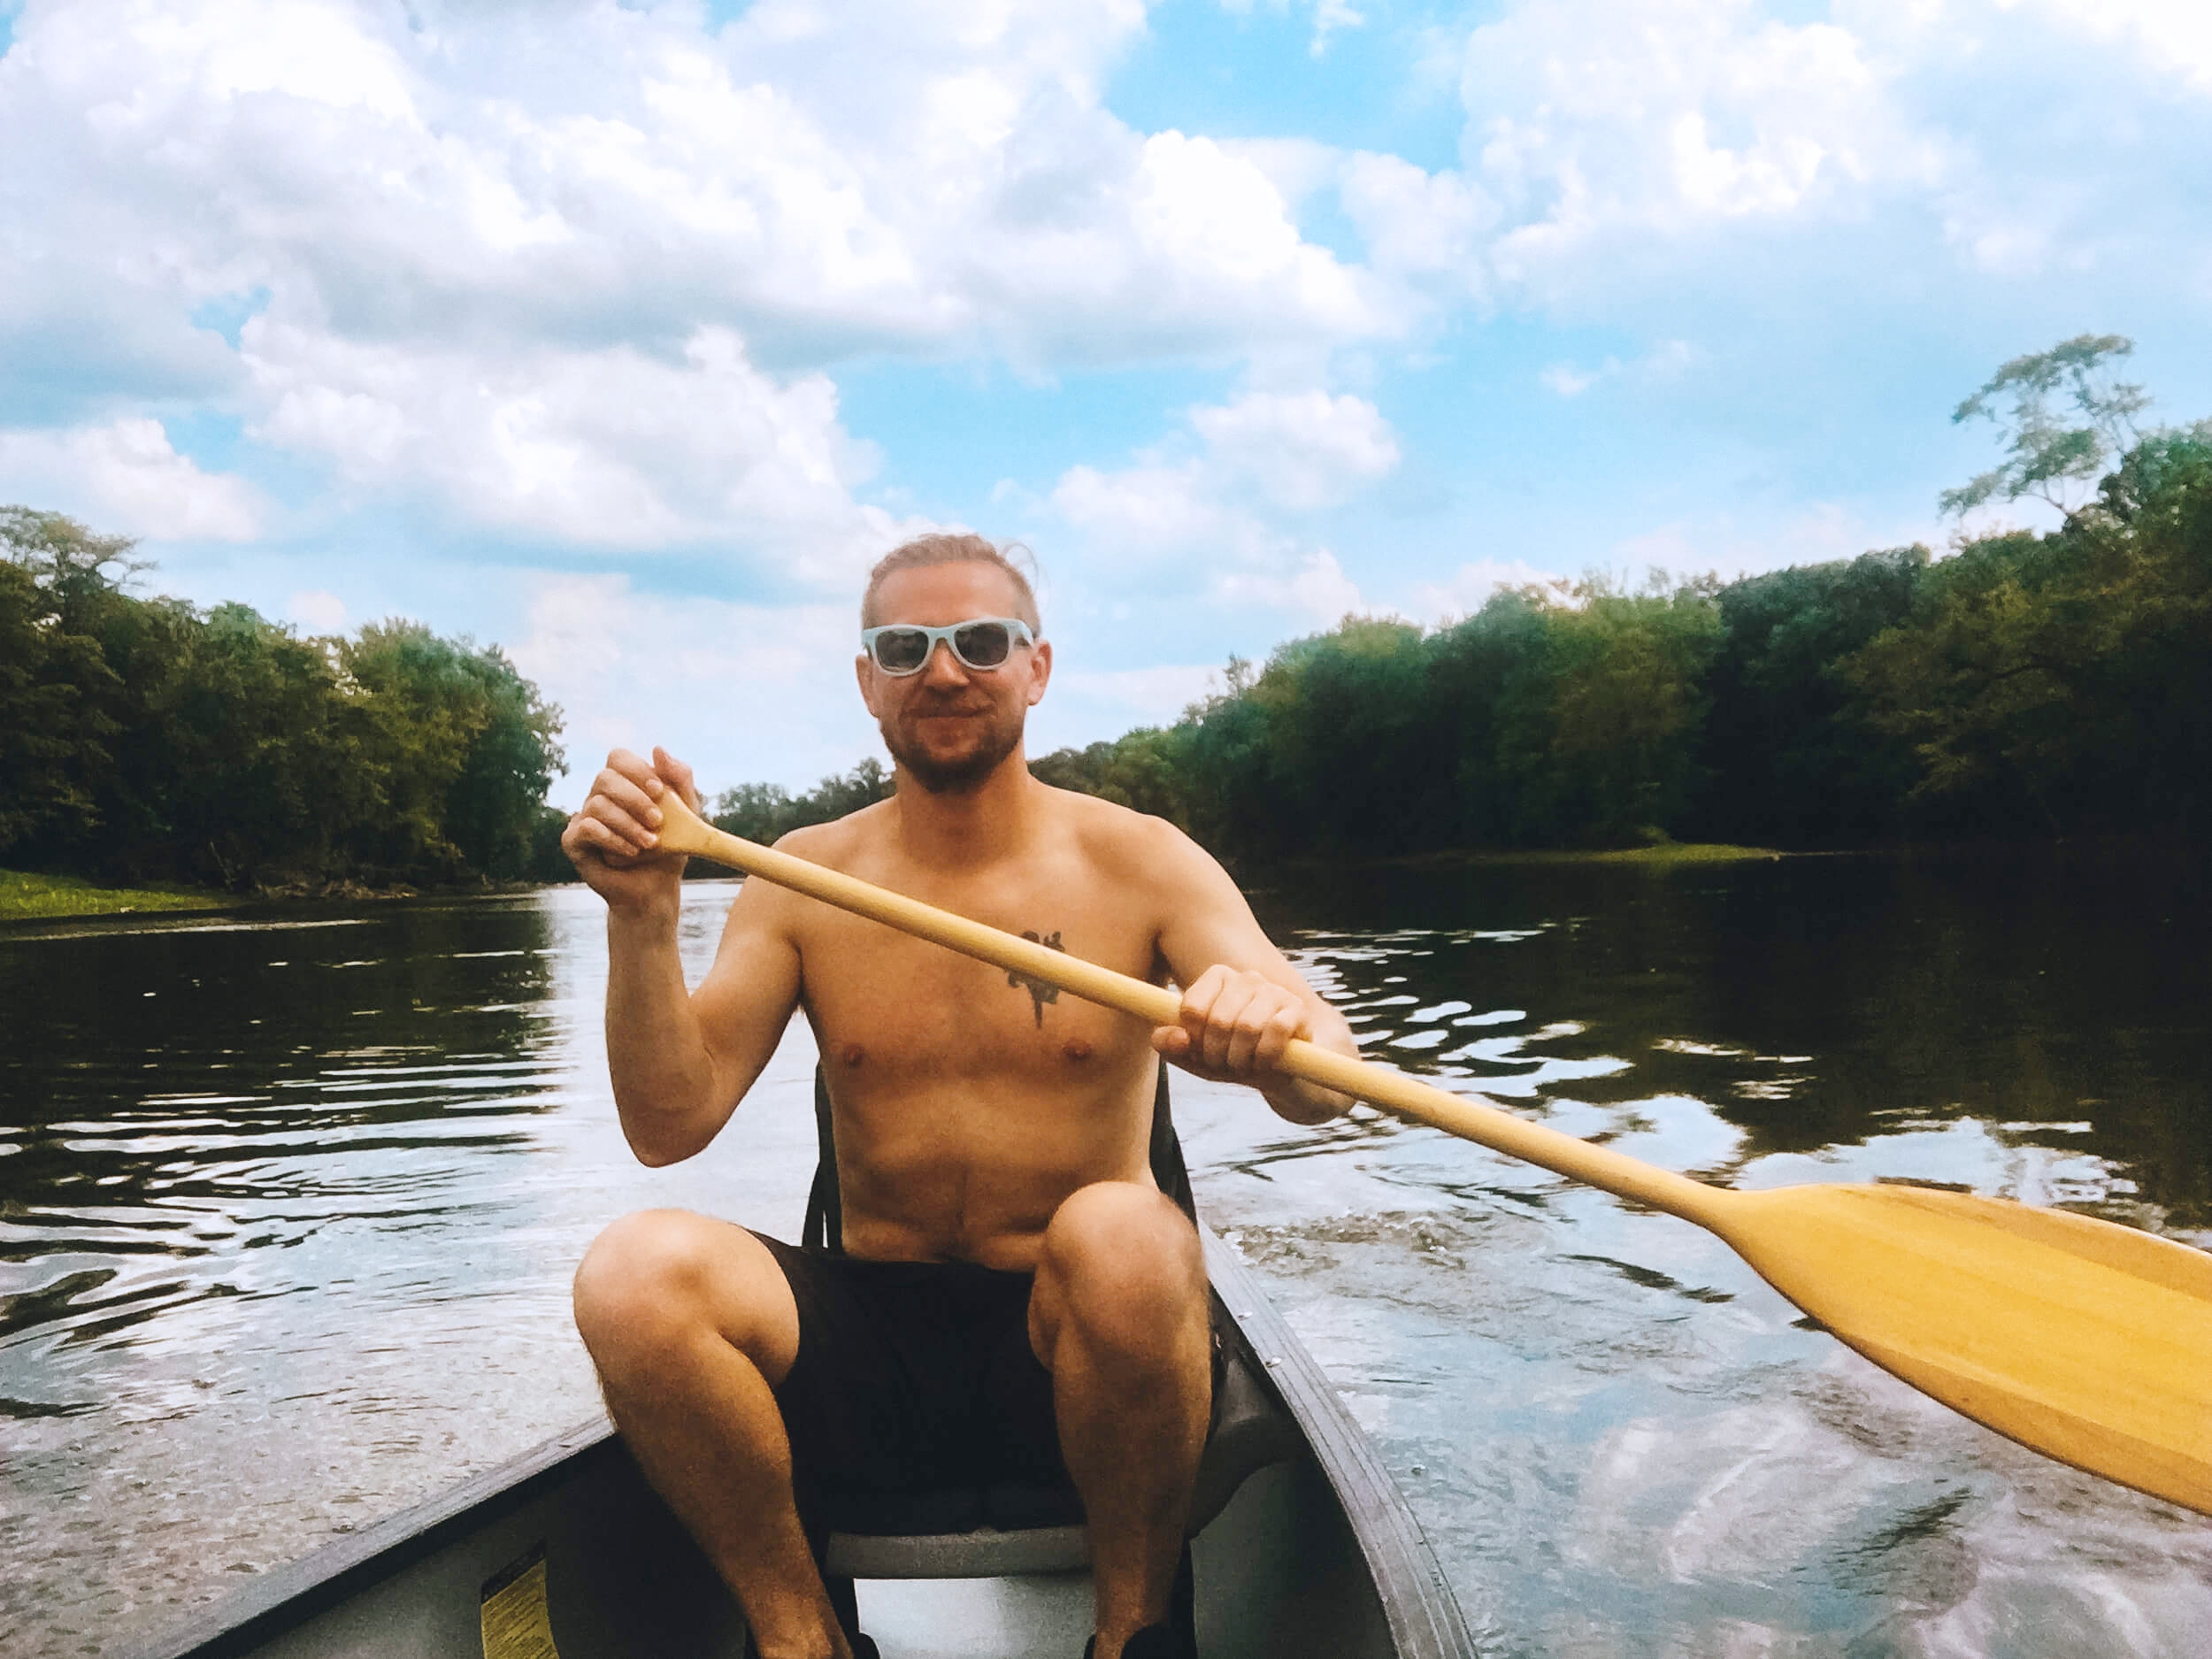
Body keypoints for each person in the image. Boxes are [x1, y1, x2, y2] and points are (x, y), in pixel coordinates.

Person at [563, 534, 1358, 1659]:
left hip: (1075, 1345)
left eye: (981, 643)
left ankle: (1133, 1635)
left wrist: (1276, 1034)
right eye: (905, 647)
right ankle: (802, 1641)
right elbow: (666, 1125)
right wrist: (641, 919)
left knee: (1128, 1229)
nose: (944, 672)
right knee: (632, 1274)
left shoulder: (1139, 859)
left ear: (1035, 668)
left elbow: (1328, 1070)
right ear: (867, 680)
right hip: (867, 1340)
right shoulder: (802, 876)